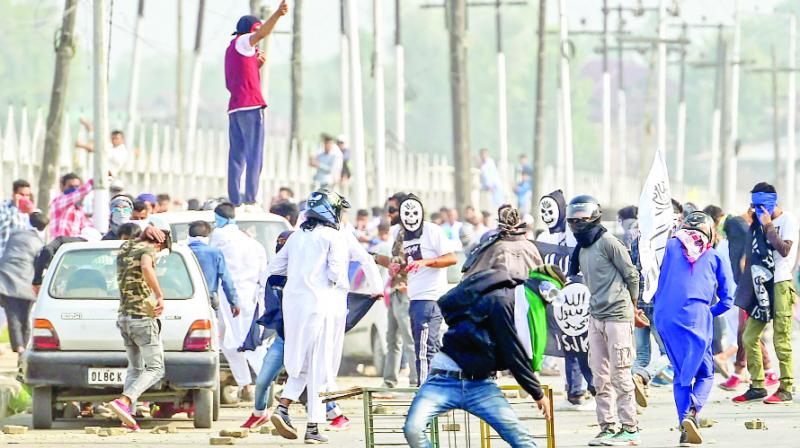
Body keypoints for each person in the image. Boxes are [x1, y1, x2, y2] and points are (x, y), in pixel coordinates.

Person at [403, 267, 552, 448]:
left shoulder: (510, 305)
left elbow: (514, 351)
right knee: (413, 429)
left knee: (521, 438)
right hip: (443, 380)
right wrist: (537, 393)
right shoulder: (502, 301)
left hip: (481, 386)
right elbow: (513, 352)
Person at [268, 189, 351, 444]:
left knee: (302, 364)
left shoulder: (295, 238)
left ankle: (284, 408)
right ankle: (313, 426)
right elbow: (336, 274)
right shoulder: (333, 237)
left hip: (294, 309)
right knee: (319, 366)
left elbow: (275, 268)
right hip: (320, 307)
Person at [566, 195, 643, 446]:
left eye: (581, 220)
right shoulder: (582, 248)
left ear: (594, 218)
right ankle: (607, 426)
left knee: (620, 374)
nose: (577, 225)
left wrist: (632, 306)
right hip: (595, 315)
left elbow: (632, 275)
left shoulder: (609, 242)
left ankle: (630, 428)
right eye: (572, 220)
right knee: (600, 376)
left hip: (618, 316)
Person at [653, 211, 734, 446]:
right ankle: (692, 412)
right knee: (706, 373)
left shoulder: (666, 247)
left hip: (663, 317)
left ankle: (685, 429)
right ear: (709, 232)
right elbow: (728, 300)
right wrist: (707, 314)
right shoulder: (714, 255)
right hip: (695, 318)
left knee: (680, 375)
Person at [733, 182, 799, 404]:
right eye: (754, 205)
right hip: (762, 283)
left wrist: (768, 225)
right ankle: (757, 385)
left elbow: (785, 249)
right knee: (749, 335)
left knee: (781, 339)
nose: (758, 209)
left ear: (772, 202)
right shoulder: (758, 222)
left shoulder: (787, 220)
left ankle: (786, 386)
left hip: (780, 283)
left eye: (761, 205)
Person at [107, 223, 171, 432]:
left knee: (135, 368)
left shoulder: (126, 247)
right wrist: (160, 295)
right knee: (155, 368)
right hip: (142, 318)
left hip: (124, 317)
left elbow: (137, 244)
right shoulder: (147, 251)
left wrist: (146, 230)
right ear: (159, 243)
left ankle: (127, 415)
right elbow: (145, 265)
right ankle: (124, 401)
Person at [225, 2, 289, 206]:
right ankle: (251, 199)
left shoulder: (232, 48)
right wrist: (277, 15)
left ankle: (235, 199)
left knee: (236, 157)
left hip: (235, 107)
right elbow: (262, 33)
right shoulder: (244, 41)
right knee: (255, 154)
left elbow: (240, 76)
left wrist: (256, 65)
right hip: (250, 106)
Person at [210, 202, 269, 400]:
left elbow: (212, 264)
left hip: (229, 299)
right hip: (251, 299)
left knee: (236, 343)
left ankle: (254, 383)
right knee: (244, 342)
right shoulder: (253, 243)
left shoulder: (219, 236)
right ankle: (251, 384)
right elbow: (264, 276)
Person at [397, 194, 457, 384]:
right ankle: (442, 390)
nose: (410, 217)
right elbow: (411, 266)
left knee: (423, 350)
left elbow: (451, 258)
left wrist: (427, 262)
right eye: (405, 213)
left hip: (430, 298)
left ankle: (425, 395)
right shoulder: (403, 235)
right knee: (430, 347)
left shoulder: (432, 230)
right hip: (416, 298)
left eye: (414, 212)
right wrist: (398, 268)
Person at [719, 206, 778, 391]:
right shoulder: (748, 233)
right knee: (744, 332)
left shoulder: (752, 235)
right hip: (746, 288)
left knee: (748, 332)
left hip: (753, 289)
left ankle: (766, 372)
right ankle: (743, 372)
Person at [374, 193, 419, 390]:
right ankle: (389, 381)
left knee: (409, 340)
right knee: (392, 340)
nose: (389, 214)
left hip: (405, 291)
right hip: (395, 290)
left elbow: (406, 262)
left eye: (392, 210)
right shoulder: (399, 233)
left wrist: (378, 259)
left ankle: (416, 381)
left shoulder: (411, 233)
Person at [0, 212, 49, 353]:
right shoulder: (39, 244)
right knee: (25, 317)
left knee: (13, 315)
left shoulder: (14, 235)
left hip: (6, 279)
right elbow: (39, 264)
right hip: (27, 285)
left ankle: (19, 347)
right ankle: (23, 349)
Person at [462, 205, 542, 279]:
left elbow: (473, 275)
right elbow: (541, 274)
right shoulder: (531, 247)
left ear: (500, 225)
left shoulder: (494, 247)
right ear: (519, 224)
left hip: (503, 292)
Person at [187, 221, 241, 318]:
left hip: (186, 299)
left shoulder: (184, 251)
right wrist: (234, 302)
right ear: (207, 236)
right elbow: (226, 279)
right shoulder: (215, 253)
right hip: (208, 300)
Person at [49, 173, 94, 239]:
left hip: (72, 245)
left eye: (77, 186)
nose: (74, 189)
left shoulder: (78, 210)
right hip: (60, 246)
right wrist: (94, 180)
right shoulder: (58, 202)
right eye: (70, 186)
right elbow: (81, 192)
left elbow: (87, 227)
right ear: (62, 187)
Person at [0, 179, 33, 257]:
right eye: (21, 195)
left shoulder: (30, 211)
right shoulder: (4, 207)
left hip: (22, 257)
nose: (24, 198)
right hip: (4, 255)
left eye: (27, 195)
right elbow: (2, 225)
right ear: (14, 194)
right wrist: (15, 207)